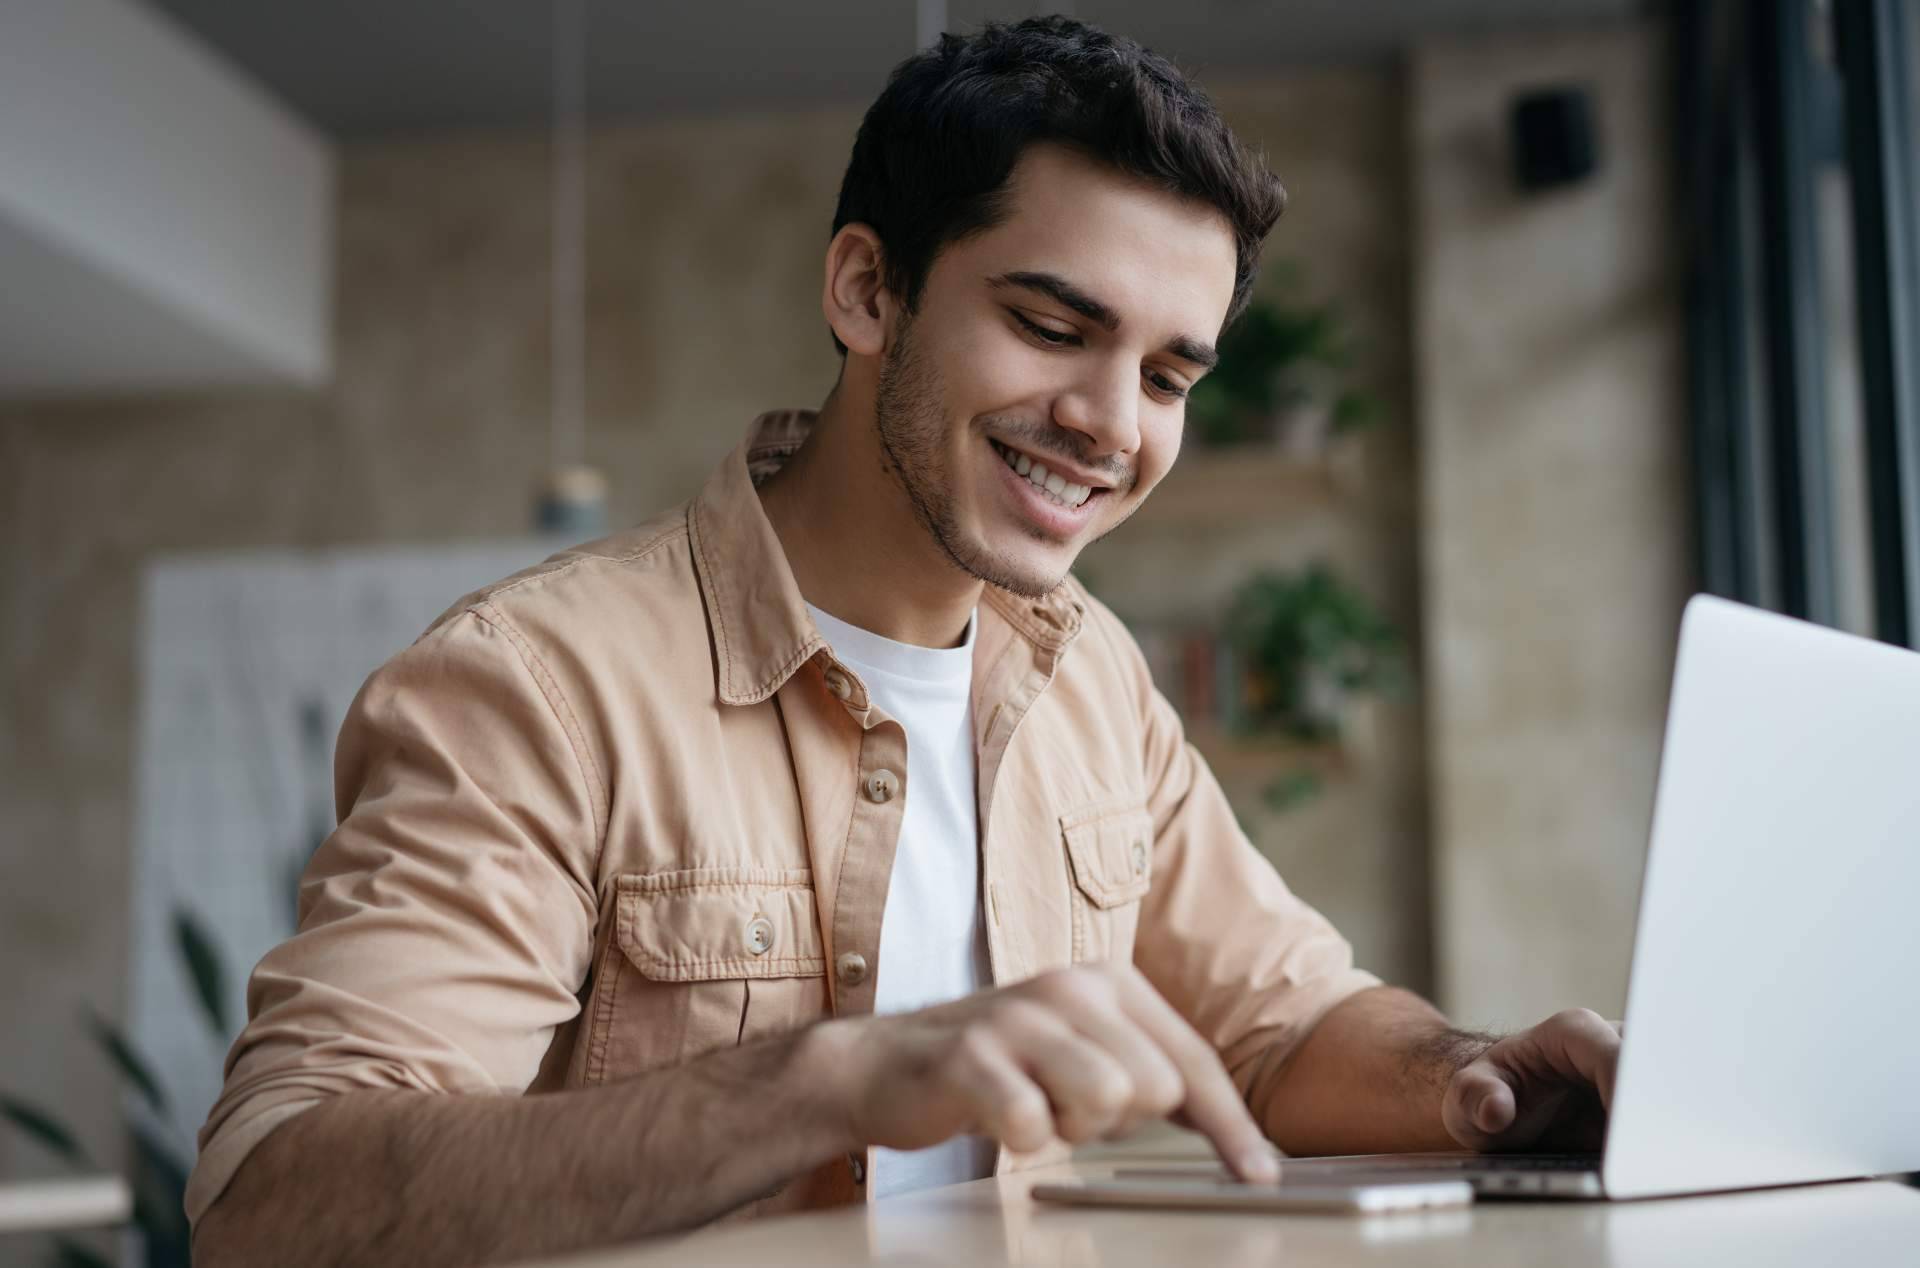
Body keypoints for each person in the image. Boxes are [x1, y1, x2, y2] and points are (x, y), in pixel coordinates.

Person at [189, 17, 1618, 1267]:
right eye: (1054, 324)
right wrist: (825, 1080)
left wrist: (1477, 1079)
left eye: (1169, 375)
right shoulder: (541, 687)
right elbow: (271, 1204)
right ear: (868, 292)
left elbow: (1281, 1025)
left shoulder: (1091, 681)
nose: (1113, 425)